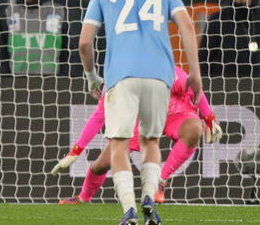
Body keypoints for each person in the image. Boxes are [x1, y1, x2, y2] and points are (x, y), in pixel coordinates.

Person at [78, 0, 202, 225]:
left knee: (119, 143)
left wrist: (92, 76)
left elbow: (85, 42)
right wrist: (194, 73)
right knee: (151, 141)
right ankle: (150, 197)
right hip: (160, 75)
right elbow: (187, 26)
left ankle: (129, 208)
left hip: (122, 75)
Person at [52, 65, 223, 204]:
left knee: (194, 128)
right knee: (103, 163)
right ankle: (83, 198)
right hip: (139, 120)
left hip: (175, 113)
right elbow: (99, 116)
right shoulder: (115, 81)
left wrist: (210, 119)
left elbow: (195, 89)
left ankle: (160, 182)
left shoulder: (167, 72)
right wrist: (76, 151)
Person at [0, 0, 71, 76]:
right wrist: (5, 78)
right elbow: (1, 49)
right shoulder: (9, 13)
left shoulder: (58, 12)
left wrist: (63, 77)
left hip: (51, 79)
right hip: (17, 79)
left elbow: (68, 48)